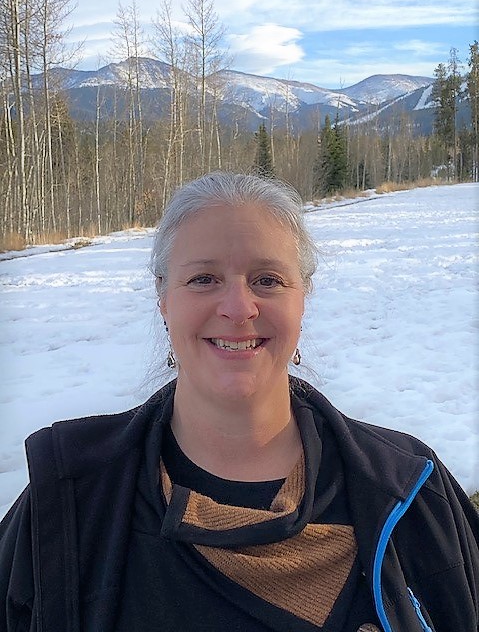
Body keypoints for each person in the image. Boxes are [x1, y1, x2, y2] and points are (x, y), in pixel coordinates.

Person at [0, 171, 478, 632]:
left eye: (267, 280)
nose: (238, 308)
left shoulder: (408, 488)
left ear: (303, 297)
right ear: (163, 298)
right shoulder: (68, 501)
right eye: (203, 279)